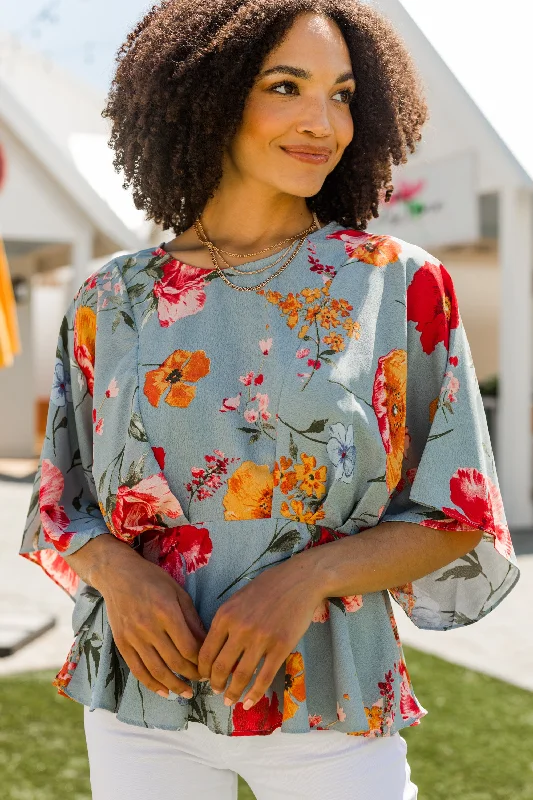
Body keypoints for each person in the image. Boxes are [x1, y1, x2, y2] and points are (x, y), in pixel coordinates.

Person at [20, 1, 520, 798]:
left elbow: (457, 513)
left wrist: (301, 581)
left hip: (327, 701)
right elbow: (60, 499)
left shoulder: (396, 284)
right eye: (285, 86)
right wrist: (119, 575)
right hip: (139, 708)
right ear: (205, 93)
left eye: (343, 94)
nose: (322, 122)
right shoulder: (109, 298)